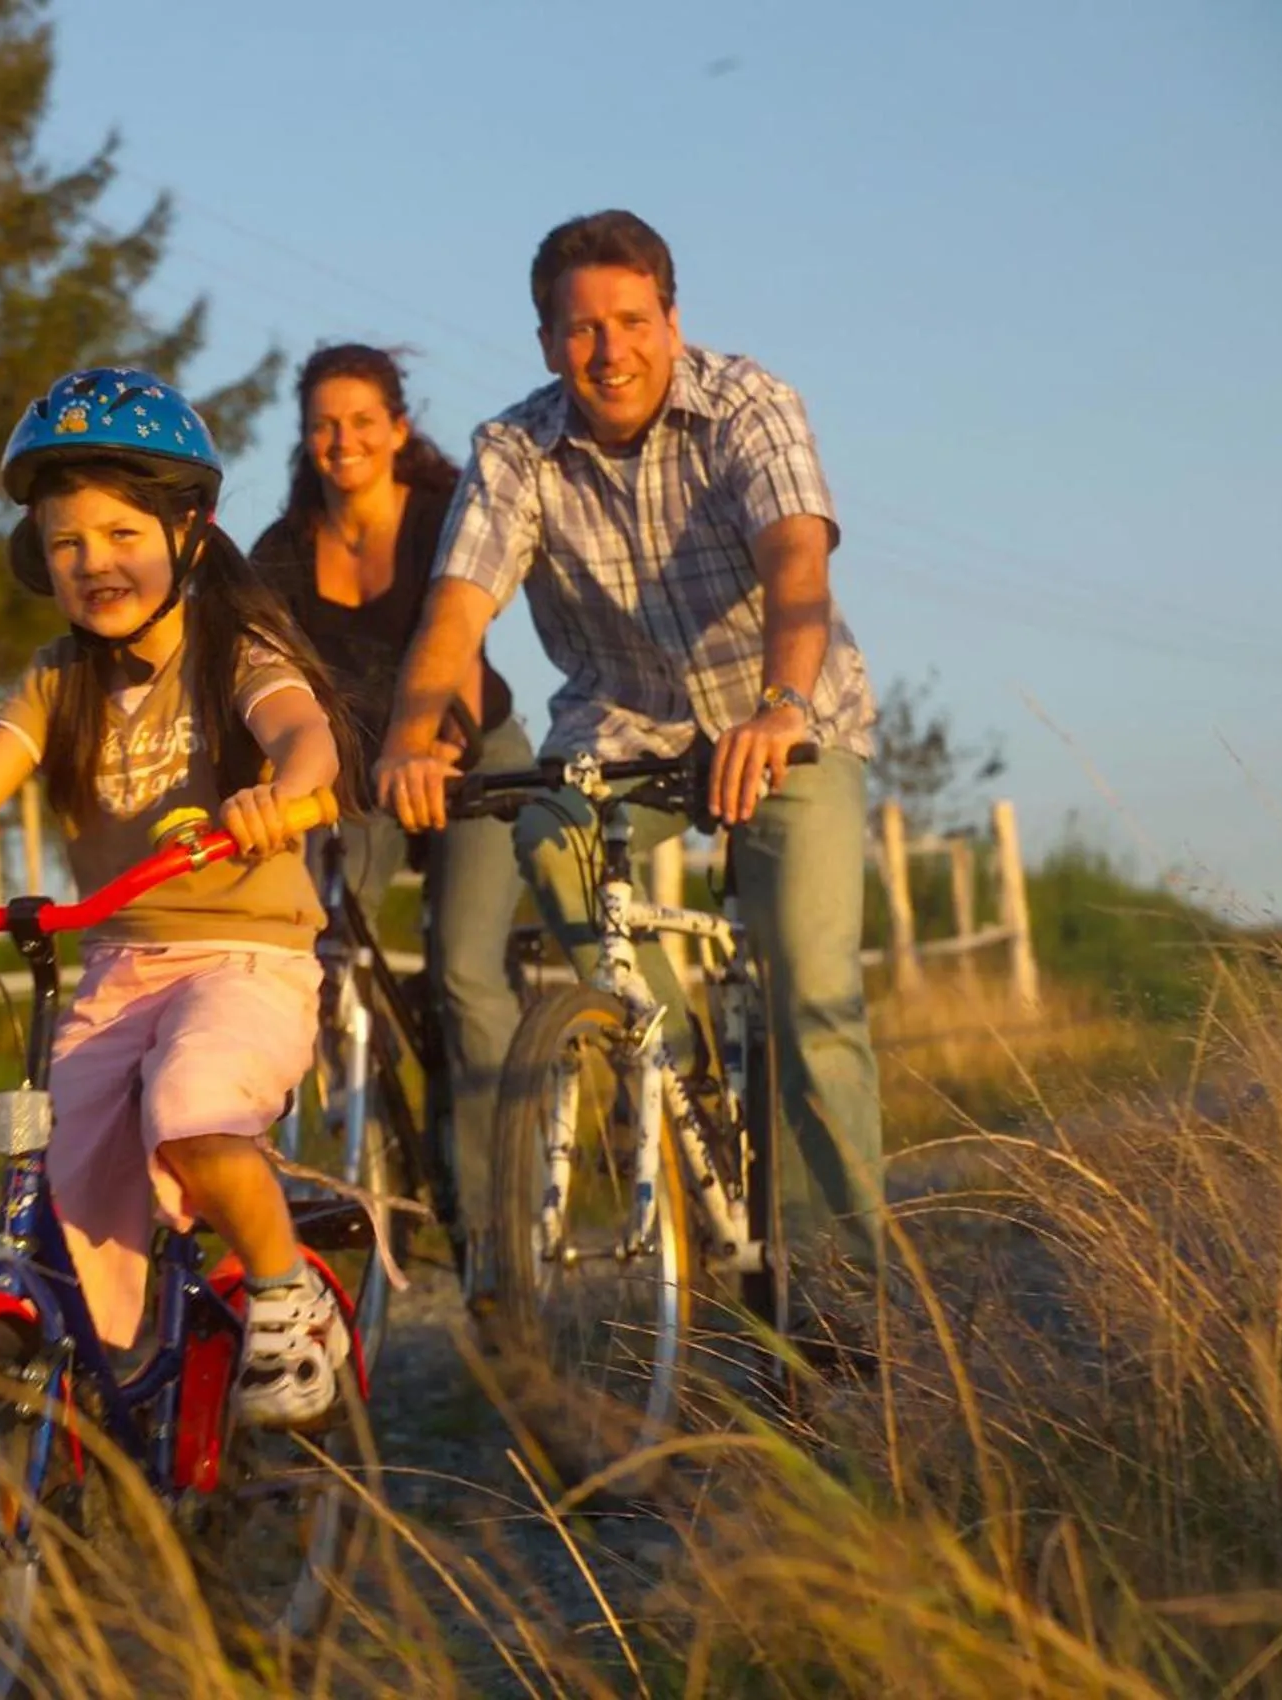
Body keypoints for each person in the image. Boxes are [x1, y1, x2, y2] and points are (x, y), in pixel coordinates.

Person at [0, 367, 360, 1427]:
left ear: (188, 534)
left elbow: (307, 737)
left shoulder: (232, 652)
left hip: (245, 960)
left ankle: (287, 1293)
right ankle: (122, 1378)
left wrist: (282, 794)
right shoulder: (56, 681)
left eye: (122, 534)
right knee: (67, 1178)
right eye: (67, 544)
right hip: (120, 963)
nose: (93, 562)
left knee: (195, 1109)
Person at [374, 209, 885, 1293]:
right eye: (580, 329)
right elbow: (456, 613)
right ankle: (675, 1062)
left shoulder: (750, 404)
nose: (610, 351)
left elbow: (798, 565)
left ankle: (845, 1286)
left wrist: (783, 705)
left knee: (814, 999)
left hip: (784, 721)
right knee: (548, 835)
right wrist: (410, 742)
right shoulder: (515, 448)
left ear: (672, 316)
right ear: (546, 340)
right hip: (623, 720)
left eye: (631, 320)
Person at [247, 344, 535, 1275]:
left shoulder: (447, 520)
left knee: (463, 976)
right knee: (322, 954)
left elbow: (458, 634)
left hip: (470, 760)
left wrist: (435, 733)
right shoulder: (287, 550)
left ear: (398, 430)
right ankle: (363, 1174)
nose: (344, 441)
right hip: (357, 779)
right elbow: (258, 661)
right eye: (325, 425)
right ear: (305, 440)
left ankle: (497, 1228)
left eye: (363, 421)